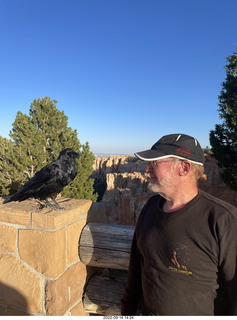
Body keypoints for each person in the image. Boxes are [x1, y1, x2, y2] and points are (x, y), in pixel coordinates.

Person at [121, 133, 237, 316]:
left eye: (155, 163)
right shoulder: (150, 207)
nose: (147, 169)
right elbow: (136, 264)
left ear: (184, 167)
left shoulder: (224, 221)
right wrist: (127, 311)